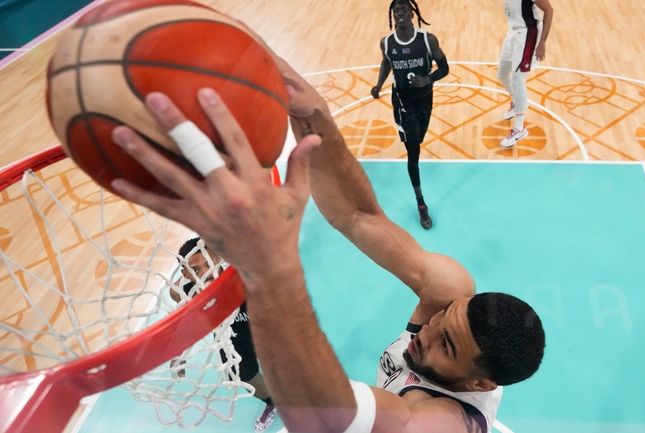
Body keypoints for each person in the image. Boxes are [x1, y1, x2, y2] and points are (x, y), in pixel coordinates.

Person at [109, 39, 545, 433]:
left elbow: (318, 416)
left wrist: (269, 267)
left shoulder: (441, 423)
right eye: (440, 322)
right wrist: (312, 114)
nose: (425, 333)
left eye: (446, 344)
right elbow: (358, 216)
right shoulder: (448, 298)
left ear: (479, 383)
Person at [169, 238, 276, 433]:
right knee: (246, 378)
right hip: (231, 340)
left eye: (208, 263)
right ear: (185, 273)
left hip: (263, 330)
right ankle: (272, 403)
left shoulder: (242, 276)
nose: (206, 272)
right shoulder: (185, 292)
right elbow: (183, 320)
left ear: (219, 258)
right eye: (195, 269)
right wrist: (178, 353)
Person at [370, 0, 449, 230]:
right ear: (392, 15)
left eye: (404, 9)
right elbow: (387, 64)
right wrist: (378, 85)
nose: (400, 12)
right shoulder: (387, 43)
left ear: (413, 14)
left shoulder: (427, 40)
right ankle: (421, 203)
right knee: (413, 149)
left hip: (425, 99)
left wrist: (428, 79)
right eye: (396, 10)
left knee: (419, 139)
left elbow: (445, 68)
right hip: (403, 102)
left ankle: (414, 146)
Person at [497, 0, 554, 148]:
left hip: (528, 34)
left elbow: (549, 10)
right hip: (512, 32)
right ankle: (516, 102)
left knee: (518, 78)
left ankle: (519, 128)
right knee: (502, 73)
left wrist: (542, 43)